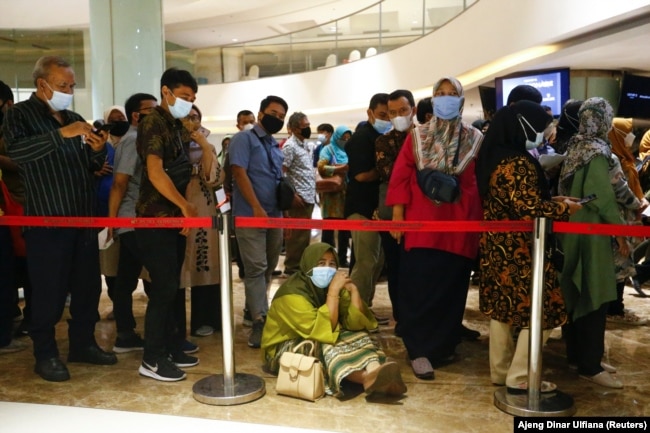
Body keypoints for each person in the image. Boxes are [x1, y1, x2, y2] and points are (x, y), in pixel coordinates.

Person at [3, 55, 117, 381]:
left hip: (82, 219)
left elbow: (90, 168)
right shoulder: (19, 116)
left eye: (72, 85)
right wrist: (61, 134)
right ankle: (45, 353)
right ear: (42, 85)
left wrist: (96, 149)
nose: (69, 90)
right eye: (63, 85)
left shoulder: (73, 116)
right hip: (47, 221)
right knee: (48, 292)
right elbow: (18, 153)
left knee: (87, 288)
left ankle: (82, 344)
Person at [475, 100, 581, 393]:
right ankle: (520, 376)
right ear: (524, 125)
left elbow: (517, 200)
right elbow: (526, 207)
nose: (545, 133)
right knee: (544, 309)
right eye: (542, 127)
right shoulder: (517, 162)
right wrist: (563, 210)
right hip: (521, 250)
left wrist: (551, 202)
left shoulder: (495, 154)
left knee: (503, 309)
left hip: (498, 247)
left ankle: (500, 370)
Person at [386, 77, 483, 380]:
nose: (444, 99)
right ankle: (419, 350)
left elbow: (477, 183)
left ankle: (443, 346)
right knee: (419, 288)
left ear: (461, 99)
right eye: (439, 94)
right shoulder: (418, 136)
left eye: (451, 94)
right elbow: (401, 176)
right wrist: (398, 218)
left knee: (451, 289)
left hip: (459, 226)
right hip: (422, 225)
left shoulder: (474, 138)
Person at [261, 242, 407, 397]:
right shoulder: (291, 294)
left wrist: (354, 291)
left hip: (319, 334)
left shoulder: (331, 284)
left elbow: (355, 324)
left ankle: (375, 371)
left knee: (357, 334)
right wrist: (333, 292)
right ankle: (366, 378)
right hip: (282, 351)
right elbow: (322, 329)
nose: (327, 269)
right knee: (324, 345)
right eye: (321, 263)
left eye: (332, 264)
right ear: (308, 264)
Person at [135, 67, 200, 382]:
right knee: (162, 289)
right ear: (166, 92)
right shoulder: (152, 122)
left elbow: (186, 168)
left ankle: (171, 346)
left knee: (172, 287)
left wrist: (183, 211)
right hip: (155, 217)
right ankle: (152, 358)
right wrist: (184, 206)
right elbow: (155, 171)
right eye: (184, 97)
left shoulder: (175, 125)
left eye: (192, 98)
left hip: (173, 217)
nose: (188, 103)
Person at [558, 97, 626, 389]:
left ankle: (579, 356)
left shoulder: (575, 146)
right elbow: (602, 197)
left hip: (571, 230)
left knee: (576, 291)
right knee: (594, 294)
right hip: (592, 233)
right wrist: (621, 232)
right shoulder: (598, 151)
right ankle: (590, 364)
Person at [229, 95, 288, 348]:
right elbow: (239, 172)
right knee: (255, 267)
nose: (278, 119)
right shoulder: (244, 139)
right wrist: (255, 207)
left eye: (282, 116)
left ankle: (251, 310)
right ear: (261, 113)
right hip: (250, 215)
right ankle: (259, 321)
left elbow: (275, 179)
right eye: (274, 113)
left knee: (267, 268)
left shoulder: (274, 145)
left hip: (274, 215)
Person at [107, 92, 157, 353]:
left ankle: (125, 334)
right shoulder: (132, 140)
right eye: (151, 110)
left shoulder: (145, 139)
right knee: (160, 277)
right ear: (136, 115)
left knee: (125, 279)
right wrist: (113, 222)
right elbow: (119, 183)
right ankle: (159, 336)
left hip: (137, 219)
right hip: (134, 220)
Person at [179, 105, 224, 337]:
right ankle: (174, 326)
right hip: (174, 206)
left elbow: (213, 178)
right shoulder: (167, 142)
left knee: (204, 260)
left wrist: (204, 146)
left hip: (203, 207)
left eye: (195, 117)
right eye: (187, 116)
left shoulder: (207, 145)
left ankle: (205, 319)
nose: (191, 121)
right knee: (177, 265)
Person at [344, 93, 390, 318]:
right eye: (382, 115)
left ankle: (365, 307)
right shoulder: (362, 138)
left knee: (376, 259)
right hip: (361, 208)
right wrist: (385, 171)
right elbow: (361, 176)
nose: (387, 119)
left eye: (389, 114)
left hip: (376, 210)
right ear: (370, 113)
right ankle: (356, 310)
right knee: (365, 260)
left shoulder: (384, 137)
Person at [375, 89, 416, 331]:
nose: (398, 116)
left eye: (403, 111)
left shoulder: (425, 137)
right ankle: (400, 317)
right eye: (393, 113)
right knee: (397, 268)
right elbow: (391, 175)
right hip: (392, 214)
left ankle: (418, 317)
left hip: (422, 214)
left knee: (418, 269)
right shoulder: (383, 141)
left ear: (413, 110)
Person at [0, 79, 32, 339]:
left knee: (26, 264)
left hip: (22, 204)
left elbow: (25, 163)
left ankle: (30, 318)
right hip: (7, 207)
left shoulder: (19, 127)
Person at [282, 111, 316, 276]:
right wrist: (291, 195)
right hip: (298, 199)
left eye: (309, 126)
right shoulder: (290, 146)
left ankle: (299, 268)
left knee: (303, 237)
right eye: (305, 126)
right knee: (296, 238)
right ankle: (292, 269)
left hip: (308, 197)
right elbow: (282, 173)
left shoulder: (304, 146)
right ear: (295, 128)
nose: (308, 129)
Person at [318, 125, 352, 267]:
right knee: (329, 228)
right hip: (332, 195)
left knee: (344, 230)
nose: (345, 140)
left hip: (346, 194)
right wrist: (340, 168)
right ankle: (326, 259)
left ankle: (342, 259)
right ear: (336, 137)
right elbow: (321, 167)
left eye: (348, 137)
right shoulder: (328, 149)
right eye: (343, 137)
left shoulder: (350, 150)